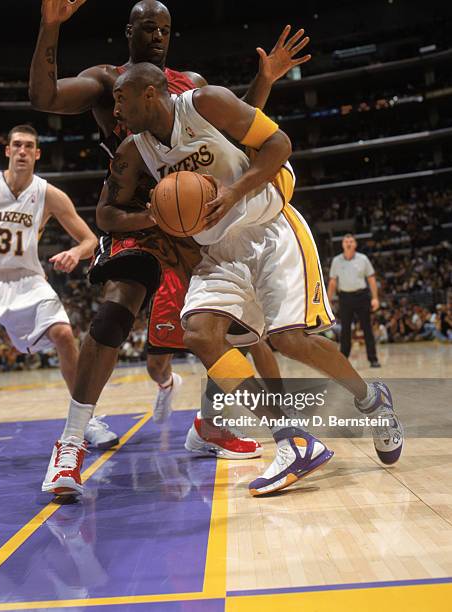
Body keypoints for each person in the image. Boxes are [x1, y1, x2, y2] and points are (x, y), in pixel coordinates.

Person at [32, 0, 311, 493]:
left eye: (164, 28)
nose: (157, 35)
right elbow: (45, 95)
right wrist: (50, 27)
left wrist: (264, 79)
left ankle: (211, 426)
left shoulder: (193, 84)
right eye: (147, 28)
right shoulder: (107, 81)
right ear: (129, 32)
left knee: (233, 330)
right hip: (138, 214)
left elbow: (235, 134)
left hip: (199, 216)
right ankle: (71, 442)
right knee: (115, 311)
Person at [96, 62, 404, 496]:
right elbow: (106, 214)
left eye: (120, 99)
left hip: (267, 225)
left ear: (149, 94)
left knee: (290, 340)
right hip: (217, 251)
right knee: (200, 334)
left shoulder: (205, 103)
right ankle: (292, 441)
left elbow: (279, 143)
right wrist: (153, 215)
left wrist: (235, 191)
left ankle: (371, 398)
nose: (115, 109)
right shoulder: (134, 150)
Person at [0, 124, 115, 469]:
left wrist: (76, 252)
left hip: (27, 279)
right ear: (8, 151)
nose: (23, 151)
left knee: (63, 334)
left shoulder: (49, 194)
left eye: (30, 146)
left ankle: (84, 422)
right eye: (17, 145)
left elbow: (90, 240)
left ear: (38, 153)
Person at [327, 234, 381, 366]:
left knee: (367, 328)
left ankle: (373, 359)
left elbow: (371, 279)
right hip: (345, 297)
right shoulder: (336, 261)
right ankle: (343, 360)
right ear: (342, 245)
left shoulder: (363, 259)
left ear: (355, 244)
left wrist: (375, 298)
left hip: (362, 296)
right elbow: (333, 282)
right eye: (346, 241)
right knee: (345, 330)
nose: (349, 243)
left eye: (351, 241)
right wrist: (328, 301)